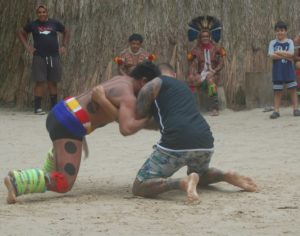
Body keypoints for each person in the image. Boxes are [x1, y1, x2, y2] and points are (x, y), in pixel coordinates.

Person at [98, 63, 258, 204]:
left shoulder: (152, 85)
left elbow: (129, 125)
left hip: (177, 144)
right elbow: (156, 124)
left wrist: (104, 102)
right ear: (173, 74)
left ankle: (182, 182)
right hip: (205, 142)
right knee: (199, 175)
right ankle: (224, 175)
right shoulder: (183, 89)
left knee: (140, 185)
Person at [4, 61, 161, 204]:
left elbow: (115, 116)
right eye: (152, 89)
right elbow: (126, 128)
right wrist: (148, 121)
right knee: (64, 182)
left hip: (62, 111)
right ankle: (18, 181)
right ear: (144, 81)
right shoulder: (128, 96)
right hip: (68, 125)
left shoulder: (120, 79)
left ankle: (52, 160)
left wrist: (102, 101)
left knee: (59, 172)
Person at [17, 4, 69, 115]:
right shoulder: (33, 24)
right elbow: (21, 32)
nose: (42, 14)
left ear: (47, 12)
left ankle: (54, 109)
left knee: (52, 82)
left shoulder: (54, 23)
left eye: (43, 12)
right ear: (37, 14)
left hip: (54, 56)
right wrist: (27, 46)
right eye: (39, 12)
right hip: (39, 56)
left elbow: (66, 31)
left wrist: (64, 45)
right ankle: (37, 108)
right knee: (40, 82)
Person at [188, 30, 225, 116]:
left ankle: (215, 108)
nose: (205, 38)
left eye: (207, 36)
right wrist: (194, 74)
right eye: (203, 37)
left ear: (210, 37)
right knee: (191, 80)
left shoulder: (217, 48)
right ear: (200, 38)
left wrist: (214, 71)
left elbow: (222, 63)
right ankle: (191, 107)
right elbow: (192, 64)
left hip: (214, 74)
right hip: (201, 73)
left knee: (210, 79)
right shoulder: (196, 50)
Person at [268, 21, 300, 119]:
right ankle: (276, 111)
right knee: (278, 91)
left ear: (285, 31)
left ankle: (296, 109)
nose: (280, 33)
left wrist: (278, 52)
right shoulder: (272, 42)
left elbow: (291, 54)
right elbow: (271, 55)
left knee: (293, 89)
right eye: (277, 31)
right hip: (277, 71)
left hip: (288, 70)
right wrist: (285, 55)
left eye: (282, 30)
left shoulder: (289, 41)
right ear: (275, 32)